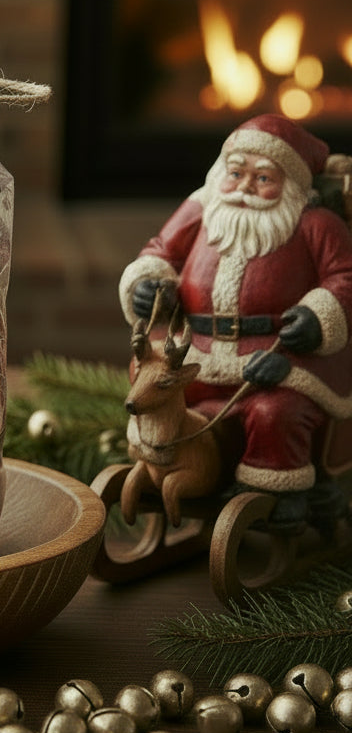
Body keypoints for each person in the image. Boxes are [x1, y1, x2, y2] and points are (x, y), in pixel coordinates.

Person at [118, 113, 352, 531]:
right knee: (151, 382)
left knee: (274, 413)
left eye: (263, 178)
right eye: (236, 173)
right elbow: (160, 251)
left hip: (278, 358)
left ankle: (274, 494)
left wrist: (318, 318)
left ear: (292, 185)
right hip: (197, 354)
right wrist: (149, 281)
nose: (245, 187)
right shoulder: (200, 210)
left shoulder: (316, 225)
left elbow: (345, 277)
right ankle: (162, 466)